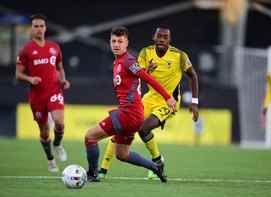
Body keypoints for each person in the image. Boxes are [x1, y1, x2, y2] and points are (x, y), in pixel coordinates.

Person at [99, 26, 199, 179]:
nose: (161, 40)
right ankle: (103, 169)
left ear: (169, 40)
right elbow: (137, 74)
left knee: (143, 129)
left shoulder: (179, 56)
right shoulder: (146, 53)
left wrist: (194, 102)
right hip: (148, 98)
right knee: (122, 127)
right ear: (154, 37)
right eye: (159, 36)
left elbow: (193, 76)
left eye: (165, 37)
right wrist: (147, 71)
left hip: (168, 102)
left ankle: (157, 162)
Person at [84, 26, 177, 183]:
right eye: (113, 41)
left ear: (126, 43)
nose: (116, 44)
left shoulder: (127, 60)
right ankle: (155, 167)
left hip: (128, 114)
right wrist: (146, 69)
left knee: (90, 137)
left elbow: (149, 79)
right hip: (134, 117)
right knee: (122, 154)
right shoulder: (119, 62)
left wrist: (168, 97)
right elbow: (136, 78)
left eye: (120, 41)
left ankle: (93, 174)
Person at [15, 14, 70, 172]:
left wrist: (63, 81)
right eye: (36, 26)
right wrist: (30, 78)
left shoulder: (54, 47)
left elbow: (59, 68)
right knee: (44, 132)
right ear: (32, 28)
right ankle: (50, 159)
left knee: (59, 122)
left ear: (45, 28)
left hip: (54, 90)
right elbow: (18, 74)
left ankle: (58, 144)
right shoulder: (26, 50)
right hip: (37, 96)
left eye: (41, 26)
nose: (39, 29)